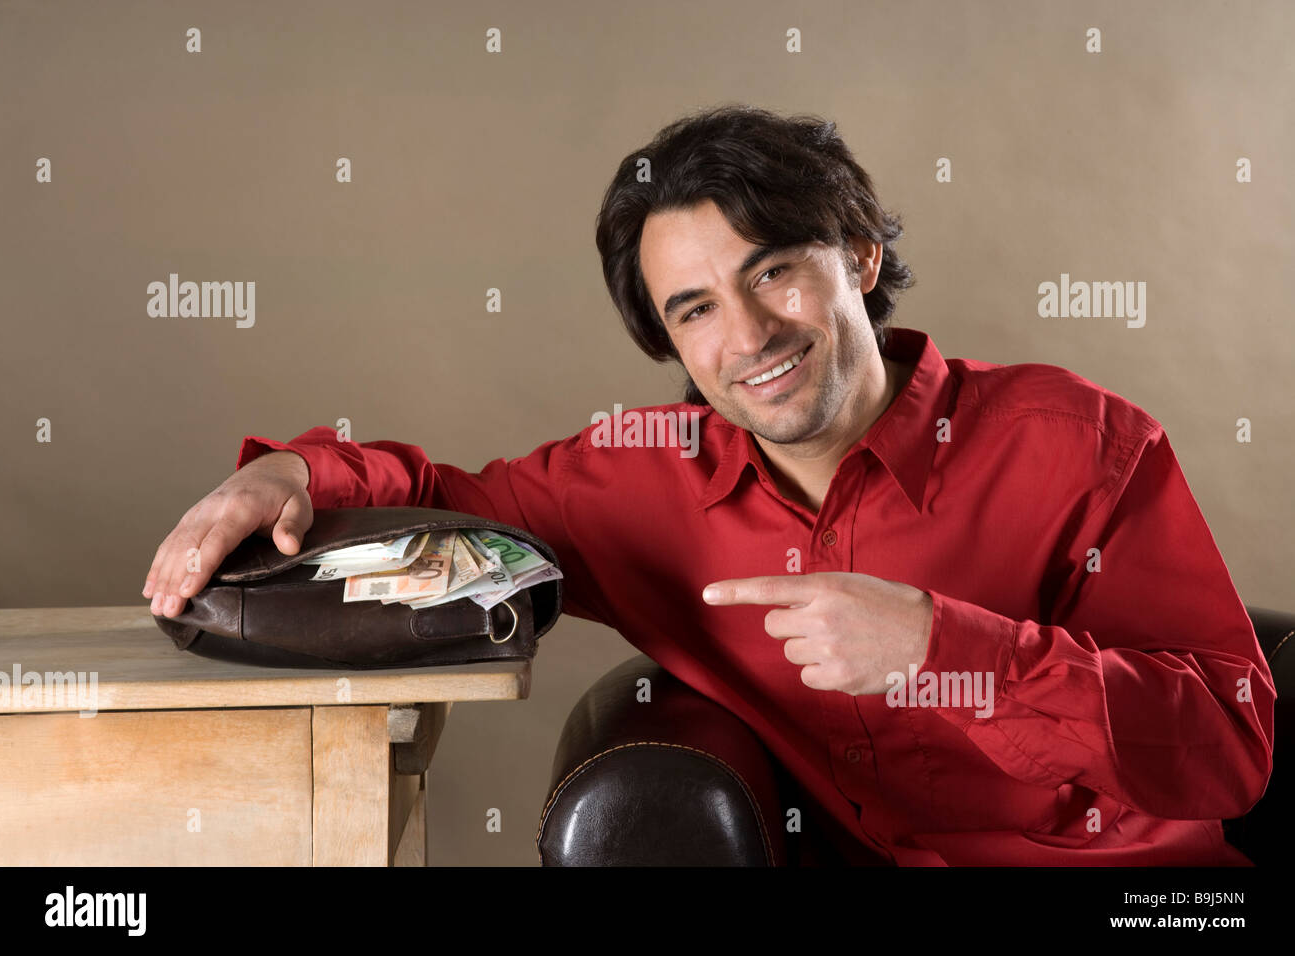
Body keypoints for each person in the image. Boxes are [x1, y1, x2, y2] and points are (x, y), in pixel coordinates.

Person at [143, 104, 1275, 866]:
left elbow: (1232, 742)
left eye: (772, 270)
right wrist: (294, 468)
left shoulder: (1076, 441)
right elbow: (438, 493)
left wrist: (946, 647)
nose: (748, 336)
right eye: (693, 310)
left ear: (859, 259)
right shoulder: (640, 476)